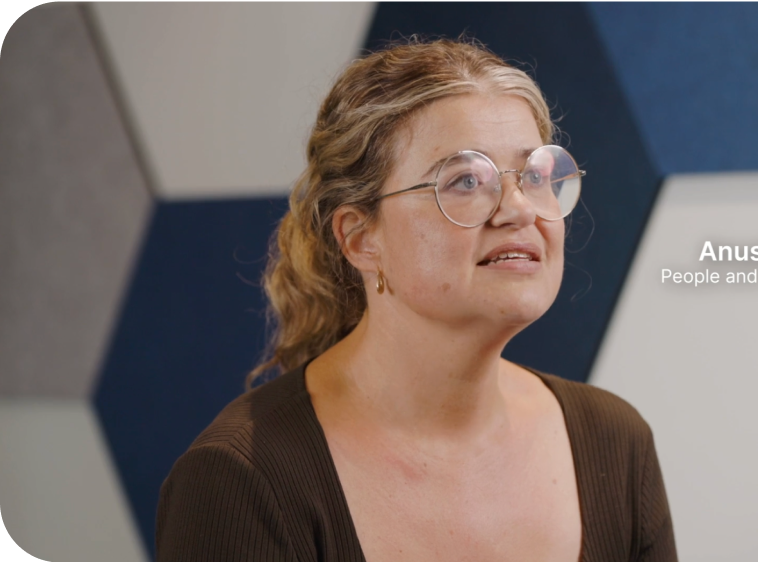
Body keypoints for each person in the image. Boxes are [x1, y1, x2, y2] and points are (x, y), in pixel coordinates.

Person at [155, 38, 677, 562]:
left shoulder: (615, 443)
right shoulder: (240, 480)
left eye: (535, 176)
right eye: (466, 180)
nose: (520, 209)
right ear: (360, 239)